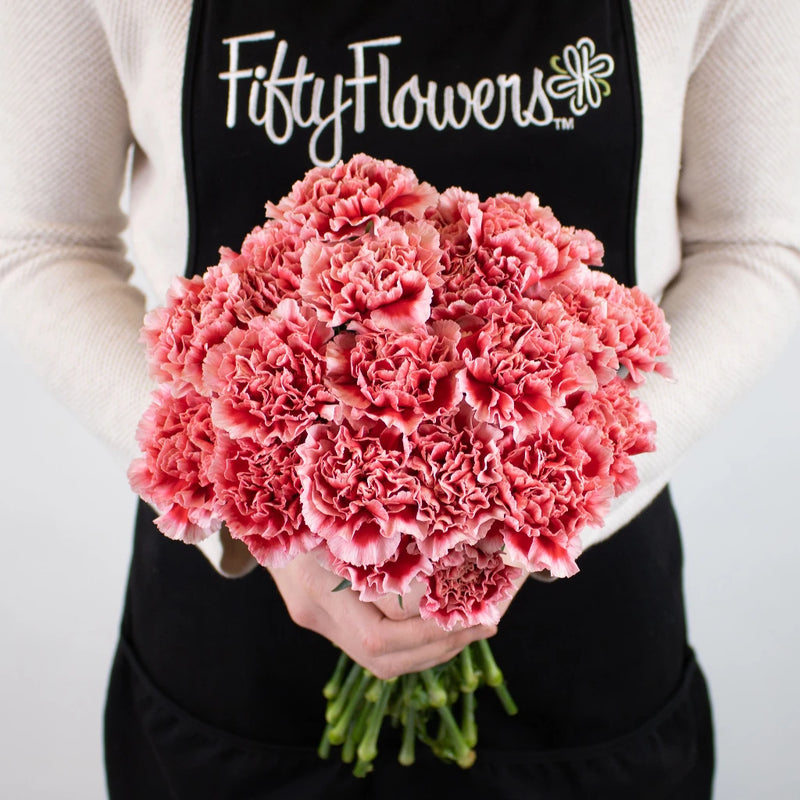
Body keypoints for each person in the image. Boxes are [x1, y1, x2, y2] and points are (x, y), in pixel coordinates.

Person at [1, 1, 798, 797]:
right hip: (233, 632)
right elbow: (40, 243)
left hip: (588, 636)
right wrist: (243, 508)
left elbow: (758, 244)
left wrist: (554, 498)